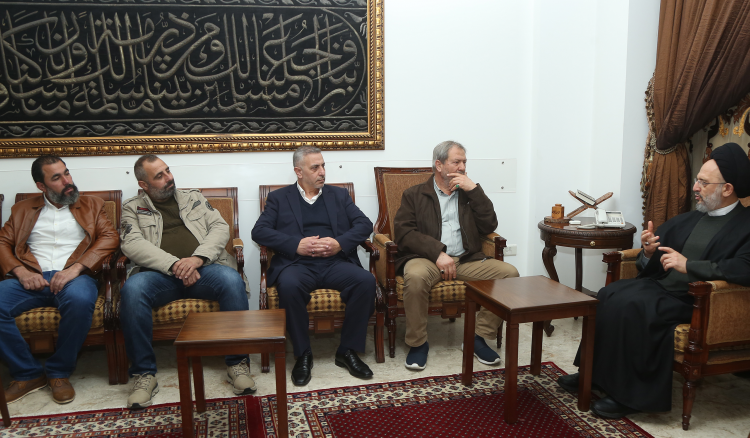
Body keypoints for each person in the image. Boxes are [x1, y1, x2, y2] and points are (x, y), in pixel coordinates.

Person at [558, 142, 750, 419]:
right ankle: (593, 374)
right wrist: (648, 253)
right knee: (609, 294)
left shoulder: (745, 225)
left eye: (703, 182)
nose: (695, 187)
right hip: (662, 287)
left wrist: (689, 265)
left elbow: (744, 267)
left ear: (728, 189)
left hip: (697, 300)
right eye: (697, 179)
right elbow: (656, 259)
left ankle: (631, 396)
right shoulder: (688, 220)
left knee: (637, 306)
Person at [119, 154, 252, 409]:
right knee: (132, 290)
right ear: (144, 184)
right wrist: (174, 265)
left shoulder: (193, 198)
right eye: (159, 176)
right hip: (158, 275)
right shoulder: (132, 207)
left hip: (203, 269)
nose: (169, 178)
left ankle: (237, 363)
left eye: (168, 171)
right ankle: (144, 374)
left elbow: (220, 228)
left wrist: (197, 259)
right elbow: (132, 243)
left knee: (231, 280)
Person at [251, 146, 376, 386]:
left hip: (335, 262)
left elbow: (364, 224)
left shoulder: (339, 195)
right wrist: (295, 245)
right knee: (288, 286)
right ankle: (303, 354)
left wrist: (339, 243)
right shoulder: (279, 198)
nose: (322, 172)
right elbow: (259, 231)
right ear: (299, 172)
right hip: (297, 264)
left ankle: (347, 350)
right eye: (315, 167)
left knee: (366, 281)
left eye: (323, 166)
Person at [0, 156, 119, 404]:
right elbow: (2, 243)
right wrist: (21, 272)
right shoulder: (22, 209)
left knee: (80, 300)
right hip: (31, 278)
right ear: (41, 186)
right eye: (57, 178)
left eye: (67, 173)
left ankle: (59, 372)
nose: (67, 181)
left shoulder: (92, 204)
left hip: (74, 277)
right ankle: (27, 373)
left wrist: (76, 269)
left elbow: (110, 237)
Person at [394, 140, 520, 370]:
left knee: (509, 274)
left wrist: (475, 191)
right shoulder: (414, 194)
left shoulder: (469, 194)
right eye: (456, 162)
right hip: (427, 259)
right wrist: (437, 252)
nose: (462, 167)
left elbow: (489, 225)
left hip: (467, 259)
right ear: (439, 165)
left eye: (464, 162)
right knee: (415, 278)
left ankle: (478, 338)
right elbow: (404, 233)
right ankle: (418, 343)